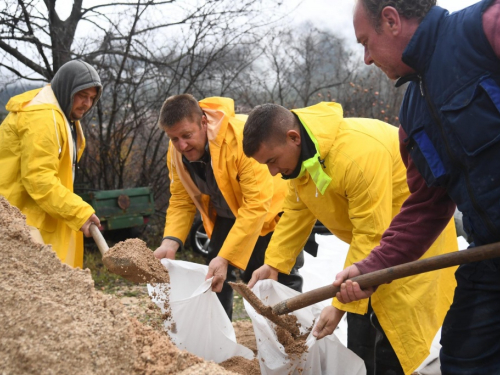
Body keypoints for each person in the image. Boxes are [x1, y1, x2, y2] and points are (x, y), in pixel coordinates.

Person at [328, 1, 500, 373]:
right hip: (490, 255)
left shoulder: (484, 29)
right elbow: (427, 206)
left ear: (390, 20)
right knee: (464, 360)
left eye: (365, 43)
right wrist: (372, 267)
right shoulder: (413, 114)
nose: (366, 60)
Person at [243, 102, 458, 375]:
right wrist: (273, 264)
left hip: (414, 244)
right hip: (370, 250)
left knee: (394, 338)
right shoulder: (303, 160)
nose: (272, 172)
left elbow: (371, 234)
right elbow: (298, 209)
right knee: (360, 337)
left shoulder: (355, 156)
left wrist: (339, 307)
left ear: (293, 138)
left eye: (272, 161)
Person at [153, 94, 303, 320]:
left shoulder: (239, 138)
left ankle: (291, 336)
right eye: (174, 138)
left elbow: (256, 204)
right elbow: (181, 200)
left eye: (187, 135)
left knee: (274, 274)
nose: (181, 145)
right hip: (226, 213)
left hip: (270, 212)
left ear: (203, 122)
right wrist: (170, 240)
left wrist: (227, 257)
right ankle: (220, 336)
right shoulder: (176, 151)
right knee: (214, 274)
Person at [0, 60, 103, 268]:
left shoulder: (62, 116)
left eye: (92, 98)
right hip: (20, 224)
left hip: (38, 217)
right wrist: (78, 212)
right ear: (67, 88)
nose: (87, 104)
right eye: (83, 95)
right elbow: (39, 179)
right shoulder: (43, 119)